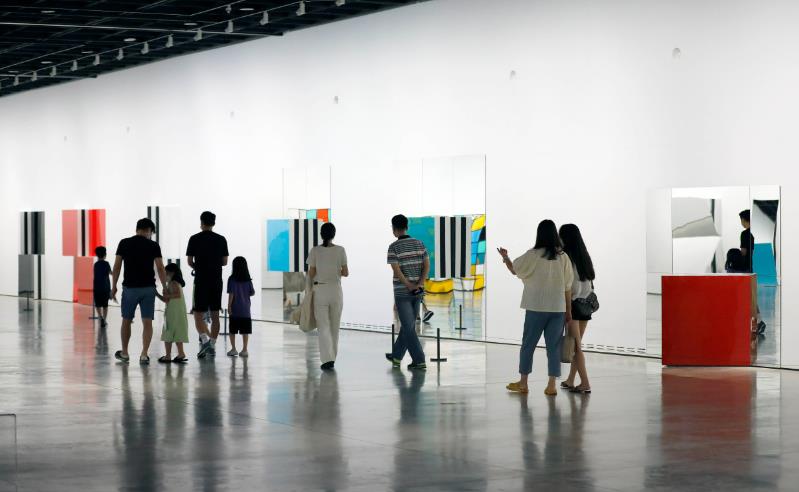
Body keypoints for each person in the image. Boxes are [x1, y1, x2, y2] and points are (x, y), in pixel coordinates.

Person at [498, 219, 573, 396]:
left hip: (535, 307)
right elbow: (568, 286)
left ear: (539, 234)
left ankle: (523, 383)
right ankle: (551, 385)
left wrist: (505, 257)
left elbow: (515, 270)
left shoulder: (532, 254)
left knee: (528, 345)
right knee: (553, 348)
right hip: (557, 308)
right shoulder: (563, 257)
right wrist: (568, 311)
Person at [111, 218, 167, 365]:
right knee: (147, 322)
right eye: (151, 232)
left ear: (137, 229)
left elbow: (117, 266)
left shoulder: (124, 243)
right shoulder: (153, 245)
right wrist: (165, 287)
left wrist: (114, 285)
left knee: (126, 320)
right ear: (149, 230)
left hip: (130, 289)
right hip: (148, 288)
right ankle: (144, 354)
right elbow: (160, 268)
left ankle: (125, 352)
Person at [385, 214, 429, 371]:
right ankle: (397, 356)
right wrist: (419, 283)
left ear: (394, 229)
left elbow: (397, 271)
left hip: (402, 293)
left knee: (408, 327)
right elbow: (427, 265)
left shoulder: (393, 247)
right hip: (418, 292)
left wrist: (408, 285)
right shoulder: (419, 243)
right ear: (407, 227)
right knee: (408, 325)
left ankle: (419, 360)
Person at [186, 211, 229, 358]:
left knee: (198, 313)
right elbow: (225, 261)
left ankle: (204, 341)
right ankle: (212, 344)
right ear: (214, 223)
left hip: (201, 280)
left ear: (201, 222)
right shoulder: (221, 239)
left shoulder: (194, 239)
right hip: (216, 280)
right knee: (215, 314)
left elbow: (189, 261)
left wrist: (199, 267)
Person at [307, 223, 348, 370]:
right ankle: (333, 358)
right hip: (336, 290)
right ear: (333, 234)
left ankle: (327, 359)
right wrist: (335, 271)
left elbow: (311, 273)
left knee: (323, 326)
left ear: (321, 234)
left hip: (320, 290)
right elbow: (346, 272)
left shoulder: (315, 251)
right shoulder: (341, 250)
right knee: (335, 326)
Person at [559, 224, 594, 394]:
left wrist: (567, 306)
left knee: (577, 348)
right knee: (575, 346)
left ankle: (585, 383)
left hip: (573, 307)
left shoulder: (566, 257)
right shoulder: (584, 256)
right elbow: (588, 284)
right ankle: (571, 380)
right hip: (586, 306)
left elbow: (572, 287)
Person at [739, 210, 767, 335]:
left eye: (741, 220)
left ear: (744, 220)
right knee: (750, 296)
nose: (741, 222)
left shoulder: (744, 234)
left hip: (743, 268)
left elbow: (743, 252)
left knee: (748, 297)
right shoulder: (753, 234)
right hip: (750, 267)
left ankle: (759, 322)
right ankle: (757, 322)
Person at [157, 263, 189, 364]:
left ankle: (168, 356)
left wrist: (166, 294)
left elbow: (177, 295)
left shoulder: (173, 283)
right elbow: (166, 300)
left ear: (172, 272)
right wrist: (157, 294)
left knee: (168, 332)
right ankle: (181, 353)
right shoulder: (174, 283)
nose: (165, 275)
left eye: (166, 273)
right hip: (178, 311)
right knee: (177, 332)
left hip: (173, 312)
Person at [227, 256, 255, 358]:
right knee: (245, 331)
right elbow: (252, 292)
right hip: (245, 310)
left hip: (235, 309)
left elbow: (231, 294)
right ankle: (245, 349)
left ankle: (233, 349)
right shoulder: (248, 280)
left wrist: (229, 306)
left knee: (232, 330)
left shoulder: (231, 279)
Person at [93, 246, 112, 327]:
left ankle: (100, 317)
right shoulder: (106, 264)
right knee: (105, 305)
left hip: (97, 288)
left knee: (98, 305)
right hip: (105, 288)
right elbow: (111, 273)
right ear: (105, 255)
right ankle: (104, 319)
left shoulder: (96, 265)